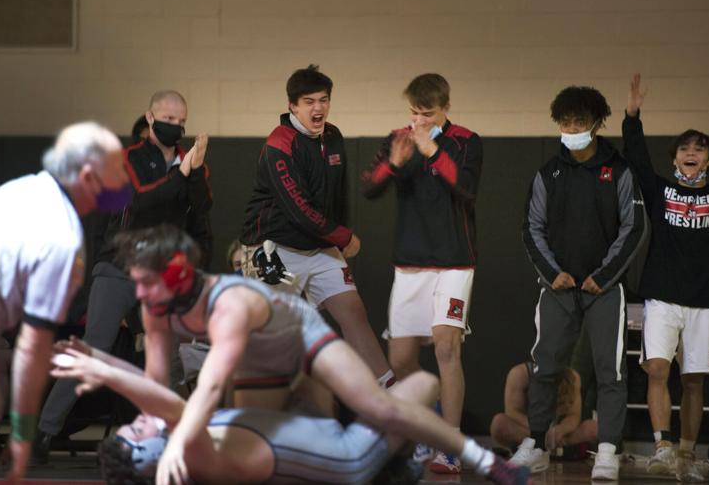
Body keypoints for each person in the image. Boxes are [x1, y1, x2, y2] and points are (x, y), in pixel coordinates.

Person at [120, 224, 529, 485]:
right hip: (257, 359)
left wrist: (173, 440)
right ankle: (388, 463)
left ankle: (484, 462)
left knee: (376, 404)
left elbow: (208, 388)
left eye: (145, 282)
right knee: (276, 446)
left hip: (297, 331)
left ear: (178, 276)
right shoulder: (153, 305)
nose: (138, 293)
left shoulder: (227, 302)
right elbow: (158, 384)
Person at [34, 90, 214, 463]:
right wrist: (182, 173)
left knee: (167, 353)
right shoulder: (129, 158)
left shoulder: (190, 161)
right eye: (168, 119)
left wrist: (194, 172)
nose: (175, 127)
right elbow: (144, 200)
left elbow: (202, 211)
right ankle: (43, 432)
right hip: (119, 265)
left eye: (181, 121)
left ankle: (167, 438)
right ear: (150, 118)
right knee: (94, 347)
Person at [0, 122, 130, 483]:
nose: (126, 181)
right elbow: (31, 353)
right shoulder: (60, 237)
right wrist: (22, 436)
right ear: (88, 175)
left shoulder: (22, 191)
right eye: (117, 171)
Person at [623, 74, 709, 482]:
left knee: (694, 382)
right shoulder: (661, 191)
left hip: (705, 301)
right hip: (662, 299)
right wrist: (632, 115)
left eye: (699, 149)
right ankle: (662, 447)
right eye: (684, 148)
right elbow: (635, 157)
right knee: (656, 369)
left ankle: (685, 454)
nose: (691, 152)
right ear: (674, 159)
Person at [50, 341, 436, 484]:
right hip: (349, 454)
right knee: (424, 385)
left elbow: (154, 395)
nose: (135, 420)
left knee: (299, 359)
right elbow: (167, 403)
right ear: (151, 455)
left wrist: (97, 356)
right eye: (135, 431)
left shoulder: (186, 445)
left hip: (310, 431)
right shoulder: (195, 458)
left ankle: (393, 461)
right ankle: (392, 463)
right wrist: (102, 372)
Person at [519, 84, 647, 480]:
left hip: (604, 289)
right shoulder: (548, 172)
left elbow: (634, 225)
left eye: (579, 120)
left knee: (611, 371)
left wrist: (604, 275)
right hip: (557, 288)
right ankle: (537, 444)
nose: (571, 126)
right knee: (544, 367)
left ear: (596, 123)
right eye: (565, 120)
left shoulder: (619, 169)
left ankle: (607, 450)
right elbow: (531, 228)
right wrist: (551, 272)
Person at [240, 64, 394, 387]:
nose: (318, 108)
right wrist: (342, 236)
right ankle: (251, 418)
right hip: (273, 247)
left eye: (323, 100)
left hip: (318, 244)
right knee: (273, 338)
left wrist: (337, 238)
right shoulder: (279, 143)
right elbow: (297, 209)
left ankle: (394, 409)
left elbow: (338, 197)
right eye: (309, 101)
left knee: (354, 313)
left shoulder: (333, 137)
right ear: (292, 106)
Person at [361, 73, 482, 473]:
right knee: (400, 360)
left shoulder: (466, 141)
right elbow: (369, 188)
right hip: (409, 261)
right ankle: (428, 423)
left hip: (453, 260)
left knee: (447, 347)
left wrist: (432, 151)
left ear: (445, 108)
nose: (419, 120)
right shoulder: (399, 137)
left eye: (427, 113)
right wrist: (394, 166)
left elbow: (466, 188)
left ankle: (450, 443)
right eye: (413, 112)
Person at [490, 362, 597, 457]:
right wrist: (540, 431)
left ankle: (542, 448)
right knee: (499, 423)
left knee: (594, 428)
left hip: (558, 434)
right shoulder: (519, 373)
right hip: (528, 431)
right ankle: (557, 449)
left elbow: (573, 416)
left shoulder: (572, 377)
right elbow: (513, 412)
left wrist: (560, 430)